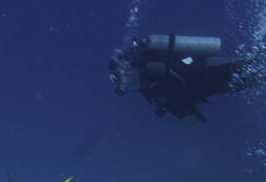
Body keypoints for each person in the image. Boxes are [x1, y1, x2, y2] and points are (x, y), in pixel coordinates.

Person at [108, 34, 251, 122]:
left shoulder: (148, 66)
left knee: (246, 65)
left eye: (119, 78)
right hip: (207, 87)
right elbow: (176, 97)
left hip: (205, 68)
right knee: (253, 79)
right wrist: (185, 114)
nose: (123, 85)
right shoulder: (148, 89)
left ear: (125, 68)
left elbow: (173, 80)